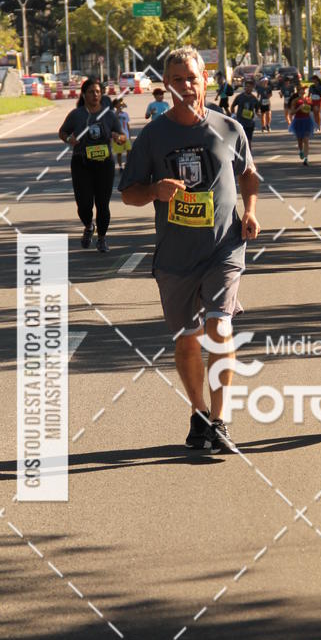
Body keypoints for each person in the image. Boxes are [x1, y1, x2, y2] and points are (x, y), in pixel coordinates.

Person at [119, 46, 260, 453]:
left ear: (205, 81)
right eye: (177, 79)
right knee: (187, 339)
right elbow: (128, 193)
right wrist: (153, 191)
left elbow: (249, 177)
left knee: (220, 326)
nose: (185, 86)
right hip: (176, 255)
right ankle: (198, 413)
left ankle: (220, 420)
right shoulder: (154, 135)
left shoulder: (229, 128)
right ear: (167, 85)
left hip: (224, 248)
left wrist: (249, 212)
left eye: (192, 78)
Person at [58, 77, 126, 253]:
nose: (95, 95)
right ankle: (89, 226)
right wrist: (69, 139)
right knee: (84, 205)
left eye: (98, 92)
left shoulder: (109, 114)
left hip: (104, 165)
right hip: (81, 163)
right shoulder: (77, 114)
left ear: (101, 94)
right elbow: (62, 131)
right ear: (84, 94)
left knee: (103, 204)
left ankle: (102, 238)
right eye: (91, 92)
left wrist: (119, 137)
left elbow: (122, 135)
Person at [289, 84, 315, 165]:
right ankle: (301, 151)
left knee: (306, 140)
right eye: (302, 89)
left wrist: (314, 109)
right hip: (298, 121)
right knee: (300, 140)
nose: (304, 91)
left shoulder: (309, 100)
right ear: (298, 90)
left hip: (307, 121)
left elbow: (312, 109)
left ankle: (306, 159)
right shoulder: (295, 100)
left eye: (305, 89)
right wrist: (298, 109)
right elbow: (291, 113)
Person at [231, 79, 259, 149]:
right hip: (240, 122)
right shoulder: (239, 97)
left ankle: (248, 155)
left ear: (252, 88)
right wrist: (233, 115)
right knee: (240, 140)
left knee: (248, 140)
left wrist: (258, 114)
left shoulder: (254, 98)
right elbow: (232, 106)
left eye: (249, 87)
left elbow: (257, 109)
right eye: (246, 86)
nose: (248, 88)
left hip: (250, 123)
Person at [112, 98, 132, 171]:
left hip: (125, 135)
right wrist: (118, 111)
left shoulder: (125, 114)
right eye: (119, 103)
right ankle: (120, 166)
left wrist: (129, 135)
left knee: (129, 150)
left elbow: (127, 124)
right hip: (117, 136)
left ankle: (128, 164)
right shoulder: (113, 113)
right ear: (115, 105)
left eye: (121, 103)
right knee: (119, 153)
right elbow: (113, 120)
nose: (121, 104)